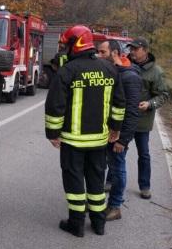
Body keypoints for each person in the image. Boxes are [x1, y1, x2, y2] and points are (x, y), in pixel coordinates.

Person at [45, 25, 126, 237]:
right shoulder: (110, 69)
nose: (65, 49)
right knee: (96, 182)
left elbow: (55, 106)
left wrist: (53, 134)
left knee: (74, 182)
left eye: (68, 44)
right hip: (99, 141)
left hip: (73, 141)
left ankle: (77, 224)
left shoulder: (68, 71)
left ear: (76, 44)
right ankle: (99, 224)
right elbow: (119, 104)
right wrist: (116, 129)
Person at [103, 41, 142, 221]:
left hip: (118, 136)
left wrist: (123, 139)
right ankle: (99, 203)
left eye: (102, 52)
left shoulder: (130, 77)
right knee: (104, 168)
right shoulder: (111, 72)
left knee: (118, 169)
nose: (98, 55)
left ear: (114, 54)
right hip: (105, 133)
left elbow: (133, 112)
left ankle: (115, 206)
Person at [126, 38, 169, 199]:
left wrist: (150, 104)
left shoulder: (156, 71)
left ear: (145, 50)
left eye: (135, 49)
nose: (132, 52)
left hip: (142, 120)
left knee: (143, 154)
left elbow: (163, 95)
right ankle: (111, 181)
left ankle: (145, 186)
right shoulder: (125, 65)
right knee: (118, 152)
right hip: (125, 118)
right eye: (131, 49)